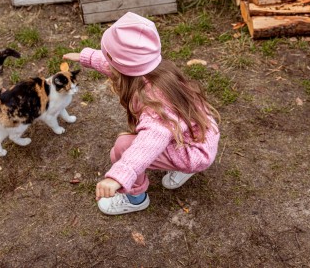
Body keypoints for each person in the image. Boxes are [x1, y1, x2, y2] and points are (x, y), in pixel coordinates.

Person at [63, 12, 220, 215]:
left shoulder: (155, 106)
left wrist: (119, 176)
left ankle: (136, 198)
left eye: (108, 57)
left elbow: (148, 144)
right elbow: (118, 66)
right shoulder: (156, 70)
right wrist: (89, 57)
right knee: (127, 149)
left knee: (121, 148)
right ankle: (181, 168)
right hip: (199, 133)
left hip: (192, 152)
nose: (109, 65)